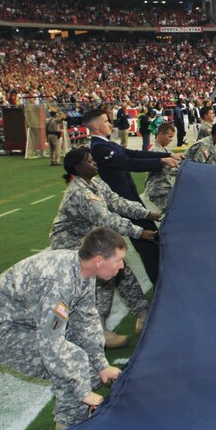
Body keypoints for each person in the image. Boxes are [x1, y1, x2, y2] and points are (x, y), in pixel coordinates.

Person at [0, 228, 125, 430]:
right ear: (98, 260)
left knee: (88, 367)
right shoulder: (58, 283)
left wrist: (101, 364)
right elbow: (50, 342)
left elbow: (87, 321)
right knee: (73, 361)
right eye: (118, 260)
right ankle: (69, 427)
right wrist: (81, 392)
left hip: (24, 319)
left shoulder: (84, 271)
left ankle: (75, 414)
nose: (122, 266)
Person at [52, 147, 161, 343]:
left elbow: (118, 203)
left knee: (120, 270)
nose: (94, 162)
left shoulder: (95, 183)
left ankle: (142, 315)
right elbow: (106, 218)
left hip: (89, 240)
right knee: (103, 279)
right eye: (89, 160)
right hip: (70, 244)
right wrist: (139, 232)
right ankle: (99, 331)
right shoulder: (80, 192)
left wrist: (146, 214)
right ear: (78, 167)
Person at [85, 108, 179, 284]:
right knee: (147, 244)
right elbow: (129, 163)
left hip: (131, 200)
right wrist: (160, 161)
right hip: (123, 204)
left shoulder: (108, 143)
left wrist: (167, 154)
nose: (109, 124)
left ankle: (164, 281)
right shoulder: (99, 148)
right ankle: (161, 285)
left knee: (152, 240)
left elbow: (135, 153)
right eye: (106, 121)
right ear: (96, 125)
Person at [145, 122, 178, 211]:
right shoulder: (155, 151)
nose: (171, 140)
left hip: (164, 189)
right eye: (169, 137)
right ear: (160, 134)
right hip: (158, 192)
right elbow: (171, 169)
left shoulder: (165, 149)